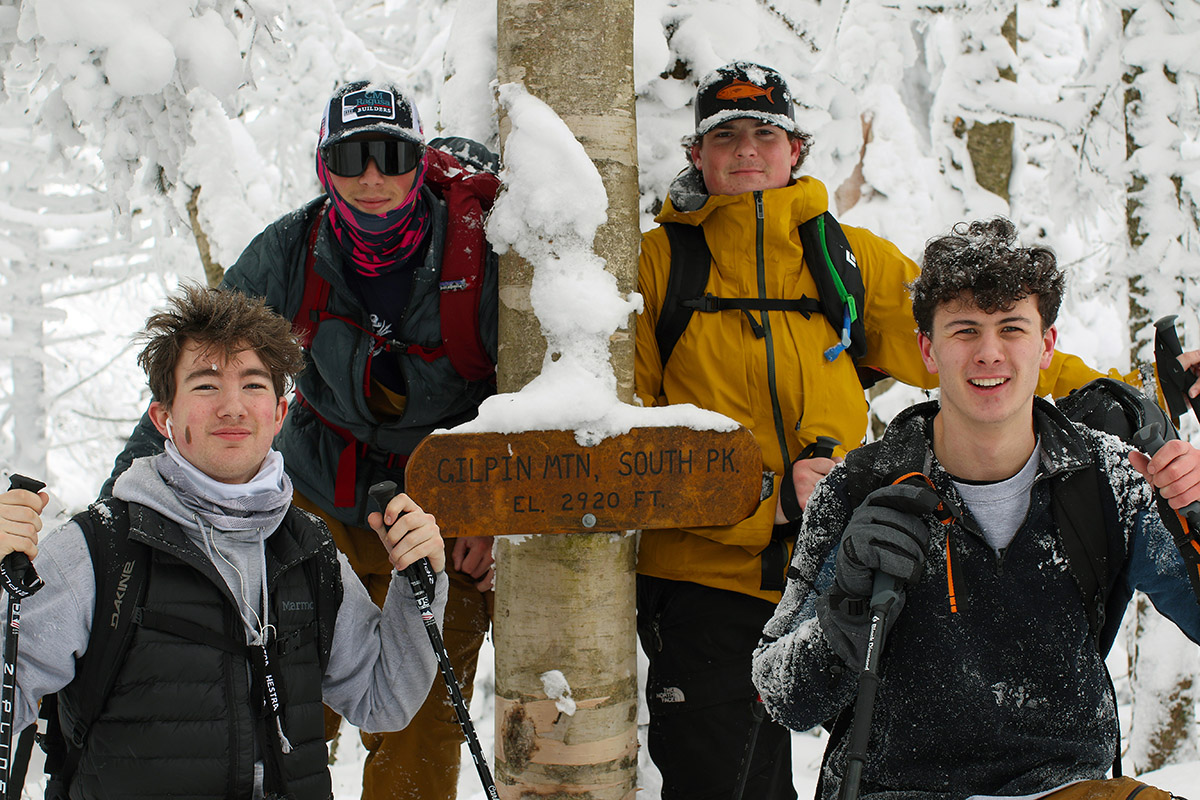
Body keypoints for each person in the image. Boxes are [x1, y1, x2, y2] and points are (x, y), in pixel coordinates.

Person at [633, 61, 1157, 799]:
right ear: (696, 155)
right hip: (705, 581)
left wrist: (1129, 395)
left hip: (856, 562)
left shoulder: (845, 261)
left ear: (797, 150)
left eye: (765, 133)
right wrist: (772, 500)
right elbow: (630, 451)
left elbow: (986, 342)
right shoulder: (658, 267)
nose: (746, 151)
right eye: (725, 136)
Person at [103, 80, 498, 799]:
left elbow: (531, 394)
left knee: (423, 725)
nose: (372, 177)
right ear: (324, 167)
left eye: (390, 154)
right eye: (351, 157)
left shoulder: (480, 253)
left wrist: (490, 518)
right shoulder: (293, 251)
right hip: (315, 502)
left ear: (419, 162)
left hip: (441, 512)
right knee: (282, 701)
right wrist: (119, 510)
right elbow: (200, 368)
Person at [752, 218, 1200, 799]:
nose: (989, 353)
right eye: (964, 330)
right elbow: (781, 694)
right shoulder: (862, 488)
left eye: (1012, 328)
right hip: (896, 789)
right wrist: (845, 611)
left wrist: (1194, 516)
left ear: (1046, 346)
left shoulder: (1109, 479)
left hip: (1065, 788)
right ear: (927, 349)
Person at [0, 285, 449, 799]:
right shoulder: (98, 550)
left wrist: (420, 580)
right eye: (206, 386)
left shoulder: (310, 549)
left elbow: (381, 698)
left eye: (254, 385)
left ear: (280, 413)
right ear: (163, 417)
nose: (233, 407)